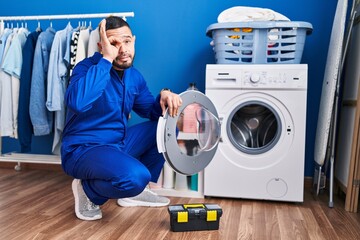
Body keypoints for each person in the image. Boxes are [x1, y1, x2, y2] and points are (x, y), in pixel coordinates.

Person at [61, 16, 182, 221]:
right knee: (136, 176)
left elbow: (152, 113)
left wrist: (164, 95)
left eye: (126, 41)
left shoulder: (133, 76)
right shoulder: (85, 68)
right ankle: (87, 190)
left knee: (166, 129)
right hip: (83, 150)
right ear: (102, 46)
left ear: (133, 40)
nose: (123, 49)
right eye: (114, 43)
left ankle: (135, 192)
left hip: (117, 145)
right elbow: (78, 102)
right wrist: (106, 60)